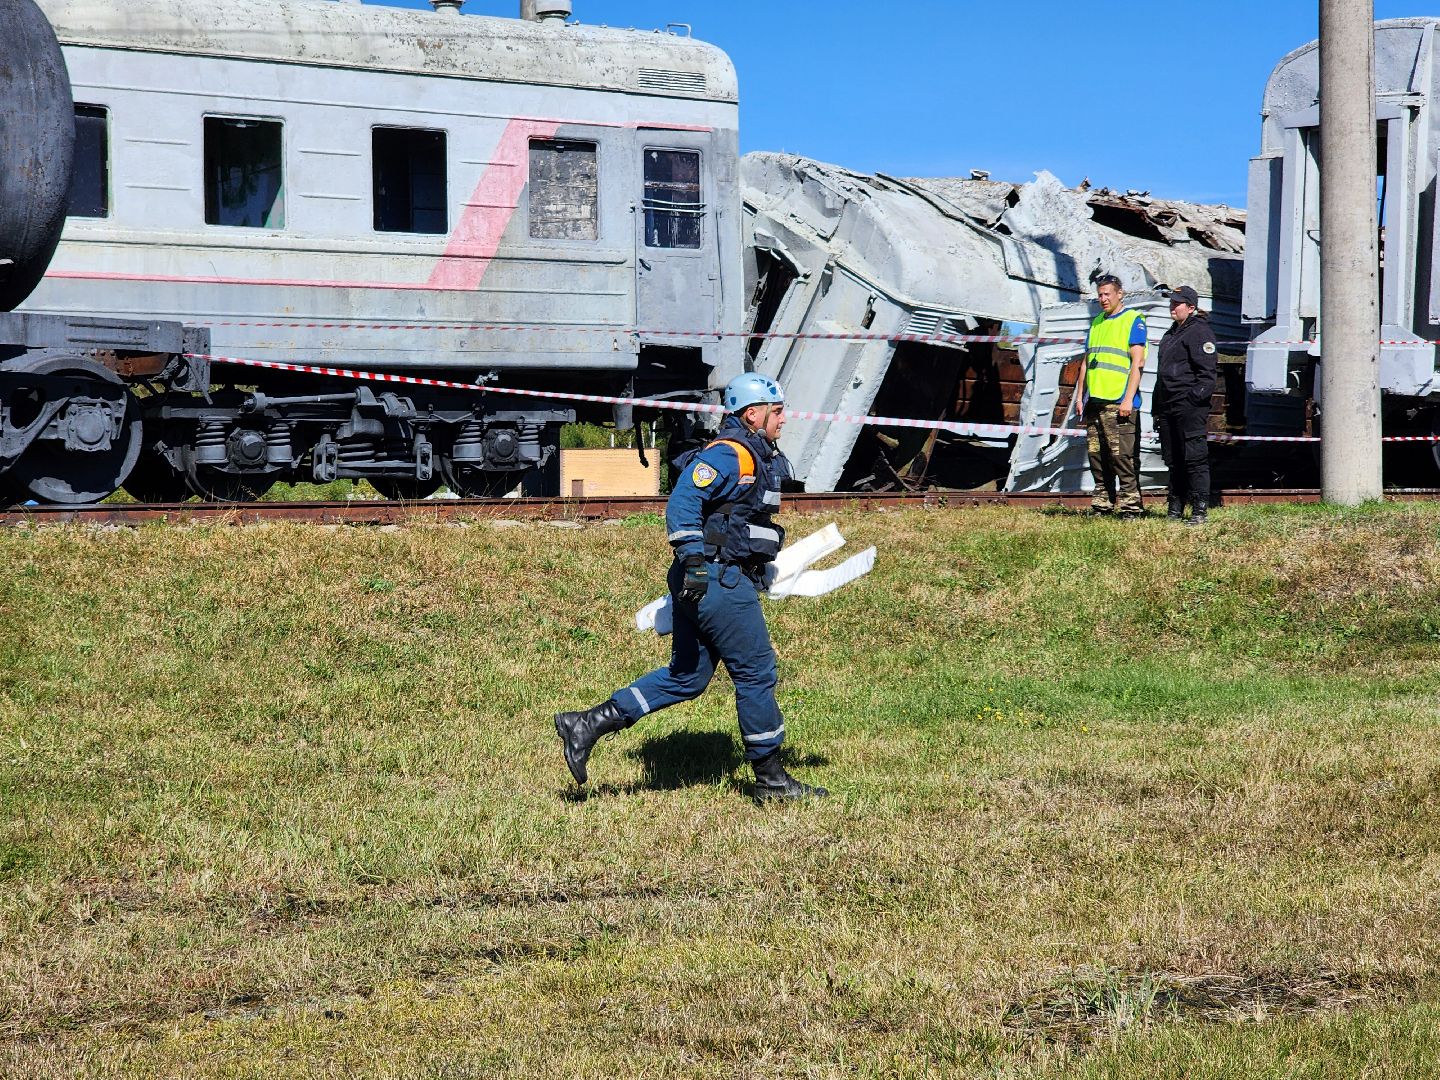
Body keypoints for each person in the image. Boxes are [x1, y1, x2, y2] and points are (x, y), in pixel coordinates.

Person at [554, 372, 828, 803]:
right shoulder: (731, 454)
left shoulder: (753, 454)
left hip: (709, 579)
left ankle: (586, 724)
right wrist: (697, 562)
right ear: (753, 414)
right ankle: (772, 780)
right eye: (778, 411)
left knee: (687, 677)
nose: (784, 419)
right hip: (715, 580)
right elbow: (683, 503)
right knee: (757, 673)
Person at [1071, 274, 1147, 517]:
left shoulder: (1133, 320)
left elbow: (1138, 362)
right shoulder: (1096, 323)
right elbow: (1086, 362)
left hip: (1118, 401)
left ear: (1119, 294)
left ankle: (1130, 507)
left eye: (1107, 294)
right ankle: (1102, 502)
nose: (1103, 299)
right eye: (1100, 295)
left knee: (1121, 456)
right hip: (1094, 402)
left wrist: (1128, 398)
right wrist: (1080, 395)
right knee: (1097, 455)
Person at [1154, 285, 1217, 524]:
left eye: (1177, 303)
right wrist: (1157, 408)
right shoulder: (1170, 334)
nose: (1172, 306)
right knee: (1174, 459)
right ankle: (1175, 508)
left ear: (1191, 307)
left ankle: (1200, 510)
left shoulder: (1199, 332)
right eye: (1171, 302)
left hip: (1189, 407)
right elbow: (1162, 375)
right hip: (1168, 406)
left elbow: (1207, 374)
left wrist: (1192, 401)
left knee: (1195, 458)